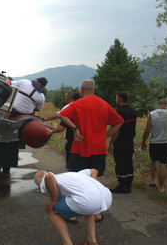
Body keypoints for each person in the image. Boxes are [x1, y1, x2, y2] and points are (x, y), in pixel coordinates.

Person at [57, 79, 123, 222]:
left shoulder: (77, 103)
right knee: (96, 179)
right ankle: (96, 213)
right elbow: (119, 121)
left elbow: (61, 114)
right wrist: (106, 135)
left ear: (81, 90)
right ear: (94, 89)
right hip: (99, 148)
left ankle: (72, 213)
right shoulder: (104, 104)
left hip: (80, 147)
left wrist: (74, 128)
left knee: (77, 178)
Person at [34, 168, 112, 245]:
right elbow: (94, 171)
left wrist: (53, 200)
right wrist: (92, 190)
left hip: (87, 200)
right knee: (88, 209)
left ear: (40, 185)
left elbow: (49, 177)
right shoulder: (74, 174)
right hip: (106, 196)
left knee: (51, 210)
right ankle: (92, 243)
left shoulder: (49, 179)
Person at [108, 91, 137, 194]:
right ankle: (128, 183)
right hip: (130, 141)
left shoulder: (119, 112)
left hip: (120, 141)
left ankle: (122, 184)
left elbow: (117, 129)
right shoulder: (132, 111)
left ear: (120, 99)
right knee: (129, 162)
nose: (116, 100)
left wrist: (111, 143)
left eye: (116, 98)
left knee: (120, 162)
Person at [141, 97, 167, 193]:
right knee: (163, 164)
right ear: (166, 103)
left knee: (153, 161)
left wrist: (143, 142)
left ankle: (153, 180)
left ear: (158, 102)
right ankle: (161, 187)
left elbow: (147, 130)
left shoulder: (152, 114)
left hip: (154, 142)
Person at [49, 92, 80, 170]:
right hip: (84, 140)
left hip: (72, 139)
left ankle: (69, 173)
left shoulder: (69, 109)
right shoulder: (87, 109)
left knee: (70, 160)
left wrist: (51, 130)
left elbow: (61, 126)